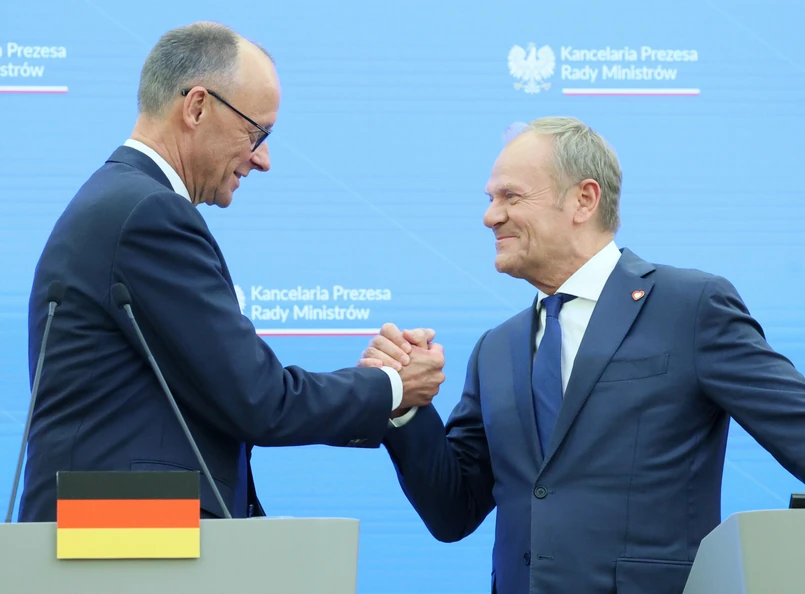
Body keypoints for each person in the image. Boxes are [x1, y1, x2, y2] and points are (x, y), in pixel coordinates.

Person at [19, 22, 445, 522]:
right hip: (121, 534)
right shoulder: (149, 214)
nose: (263, 159)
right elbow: (257, 398)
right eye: (255, 132)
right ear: (197, 107)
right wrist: (392, 386)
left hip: (116, 529)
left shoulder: (122, 201)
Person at [359, 116, 805, 594]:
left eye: (511, 197)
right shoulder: (495, 349)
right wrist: (405, 406)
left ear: (584, 200)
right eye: (490, 199)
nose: (491, 217)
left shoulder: (690, 307)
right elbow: (453, 512)